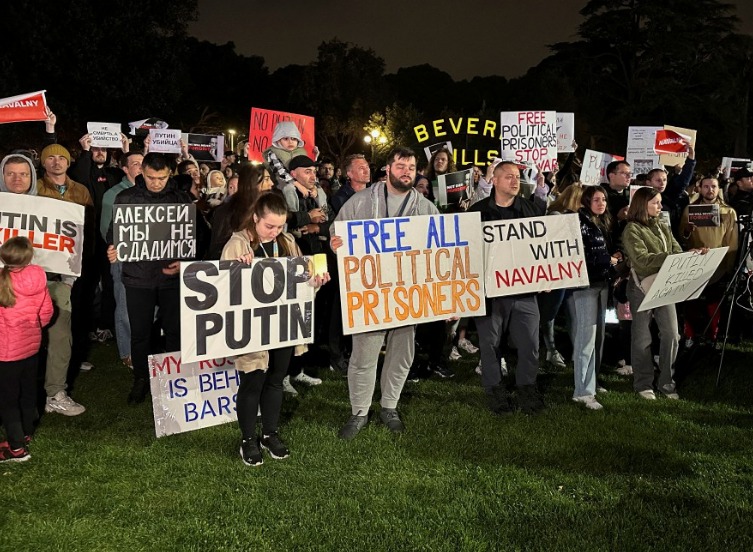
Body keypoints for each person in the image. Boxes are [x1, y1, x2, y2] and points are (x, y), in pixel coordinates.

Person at [331, 147, 439, 439]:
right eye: (401, 166)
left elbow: (441, 250)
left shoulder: (426, 207)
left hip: (408, 293)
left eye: (412, 167)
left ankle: (389, 405)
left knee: (402, 353)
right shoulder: (361, 201)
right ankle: (359, 411)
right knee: (364, 354)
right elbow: (337, 230)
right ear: (388, 169)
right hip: (371, 292)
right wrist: (336, 242)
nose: (407, 172)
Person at [223, 193, 329, 466]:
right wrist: (238, 271)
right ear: (255, 218)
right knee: (253, 380)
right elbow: (222, 289)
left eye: (280, 226)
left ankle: (270, 433)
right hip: (252, 327)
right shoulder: (237, 244)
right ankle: (248, 439)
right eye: (269, 226)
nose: (275, 231)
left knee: (275, 379)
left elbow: (302, 283)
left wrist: (315, 281)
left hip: (281, 325)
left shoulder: (288, 241)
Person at [106, 153, 198, 404]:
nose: (156, 182)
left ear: (169, 174)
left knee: (175, 332)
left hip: (171, 279)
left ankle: (175, 378)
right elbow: (113, 232)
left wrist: (186, 262)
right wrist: (112, 246)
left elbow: (194, 238)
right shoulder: (125, 198)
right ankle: (141, 379)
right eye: (150, 177)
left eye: (161, 178)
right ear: (141, 173)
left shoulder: (182, 199)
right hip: (137, 278)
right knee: (140, 333)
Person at [468, 161, 548, 415]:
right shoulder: (477, 212)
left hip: (524, 291)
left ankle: (527, 387)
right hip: (490, 293)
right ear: (495, 180)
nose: (515, 181)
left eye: (517, 177)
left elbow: (543, 247)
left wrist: (549, 275)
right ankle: (495, 390)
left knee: (530, 344)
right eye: (509, 177)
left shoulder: (531, 210)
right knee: (489, 344)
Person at [623, 187, 707, 400]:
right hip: (641, 287)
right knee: (642, 337)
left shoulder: (663, 226)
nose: (660, 207)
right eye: (655, 203)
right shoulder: (632, 229)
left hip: (665, 284)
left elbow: (676, 252)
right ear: (643, 205)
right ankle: (643, 384)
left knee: (672, 334)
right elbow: (642, 262)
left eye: (660, 202)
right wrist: (670, 257)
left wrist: (690, 255)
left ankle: (667, 383)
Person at [36, 144, 93, 416]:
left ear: (68, 162)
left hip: (63, 275)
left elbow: (85, 231)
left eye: (61, 157)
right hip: (30, 274)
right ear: (43, 163)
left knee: (61, 332)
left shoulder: (80, 191)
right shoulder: (31, 189)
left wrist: (74, 272)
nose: (56, 162)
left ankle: (55, 392)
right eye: (51, 158)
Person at [0, 237, 54, 462]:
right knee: (28, 391)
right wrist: (33, 327)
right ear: (29, 256)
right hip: (31, 348)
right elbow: (47, 312)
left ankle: (16, 448)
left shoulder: (3, 281)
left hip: (6, 352)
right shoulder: (38, 277)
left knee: (8, 400)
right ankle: (26, 432)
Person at [567, 186, 618, 410]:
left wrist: (615, 256)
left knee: (598, 338)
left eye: (604, 199)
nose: (601, 203)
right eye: (596, 199)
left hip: (602, 283)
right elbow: (581, 254)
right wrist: (608, 260)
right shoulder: (578, 221)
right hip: (585, 285)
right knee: (585, 339)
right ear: (586, 201)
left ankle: (592, 382)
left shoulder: (602, 222)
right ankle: (582, 391)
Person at [678, 176, 738, 346]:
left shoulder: (728, 212)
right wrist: (687, 230)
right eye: (706, 186)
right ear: (700, 188)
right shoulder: (689, 210)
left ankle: (712, 337)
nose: (709, 190)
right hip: (694, 262)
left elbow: (731, 241)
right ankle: (690, 335)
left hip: (718, 264)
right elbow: (682, 237)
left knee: (714, 303)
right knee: (691, 302)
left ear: (718, 188)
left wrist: (728, 265)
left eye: (713, 186)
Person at [100, 152, 144, 369]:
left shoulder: (153, 193)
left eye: (144, 163)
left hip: (148, 259)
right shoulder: (113, 195)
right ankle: (127, 351)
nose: (141, 167)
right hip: (123, 258)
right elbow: (107, 230)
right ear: (125, 169)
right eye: (136, 164)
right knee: (125, 306)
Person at [207, 164, 274, 260]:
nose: (271, 183)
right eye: (266, 179)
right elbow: (216, 249)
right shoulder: (226, 211)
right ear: (253, 182)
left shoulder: (267, 208)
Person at [263, 121, 311, 189]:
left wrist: (314, 186)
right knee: (289, 188)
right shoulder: (272, 153)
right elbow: (280, 172)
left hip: (302, 183)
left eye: (294, 139)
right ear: (278, 140)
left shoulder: (302, 152)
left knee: (318, 190)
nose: (290, 142)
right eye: (286, 139)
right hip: (280, 184)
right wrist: (298, 185)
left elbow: (309, 170)